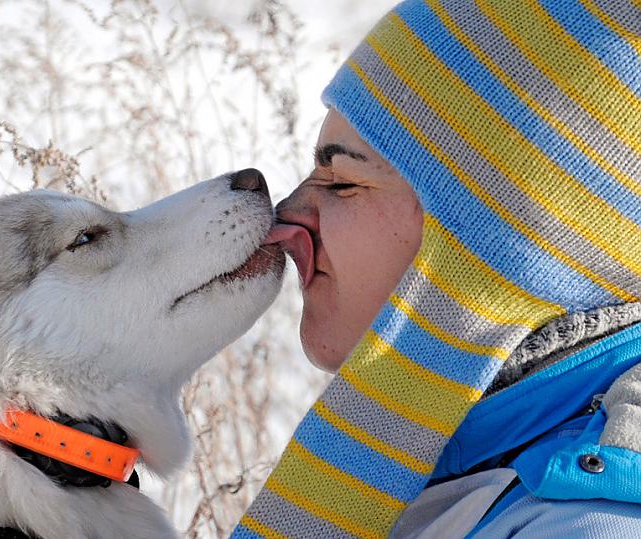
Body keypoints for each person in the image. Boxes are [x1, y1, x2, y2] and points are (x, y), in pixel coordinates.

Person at [234, 0, 641, 537]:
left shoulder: (583, 525)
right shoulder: (468, 466)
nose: (282, 221)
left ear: (501, 238)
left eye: (342, 182)